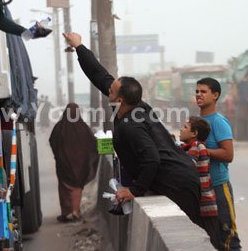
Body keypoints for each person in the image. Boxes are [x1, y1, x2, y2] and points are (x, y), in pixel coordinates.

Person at [62, 32, 204, 228]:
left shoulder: (131, 126)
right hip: (175, 174)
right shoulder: (133, 104)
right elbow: (100, 75)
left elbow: (152, 158)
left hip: (179, 183)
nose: (107, 89)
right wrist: (79, 47)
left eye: (111, 90)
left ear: (119, 100)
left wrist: (134, 191)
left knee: (188, 234)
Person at [196, 77, 242, 251]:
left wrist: (203, 151)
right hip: (202, 189)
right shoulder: (197, 122)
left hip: (218, 186)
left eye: (203, 91)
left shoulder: (219, 122)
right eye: (197, 91)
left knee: (227, 234)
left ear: (215, 96)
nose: (198, 95)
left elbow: (228, 154)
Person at [49, 103, 100, 222]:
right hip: (80, 165)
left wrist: (59, 155)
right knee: (77, 187)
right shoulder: (83, 127)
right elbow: (92, 142)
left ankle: (65, 212)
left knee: (64, 188)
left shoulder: (59, 127)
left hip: (63, 164)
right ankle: (75, 211)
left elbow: (52, 141)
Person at [179, 116, 221, 250]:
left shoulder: (196, 147)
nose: (181, 129)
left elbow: (188, 167)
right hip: (204, 206)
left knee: (209, 246)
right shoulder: (192, 147)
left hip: (205, 206)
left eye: (185, 127)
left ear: (194, 133)